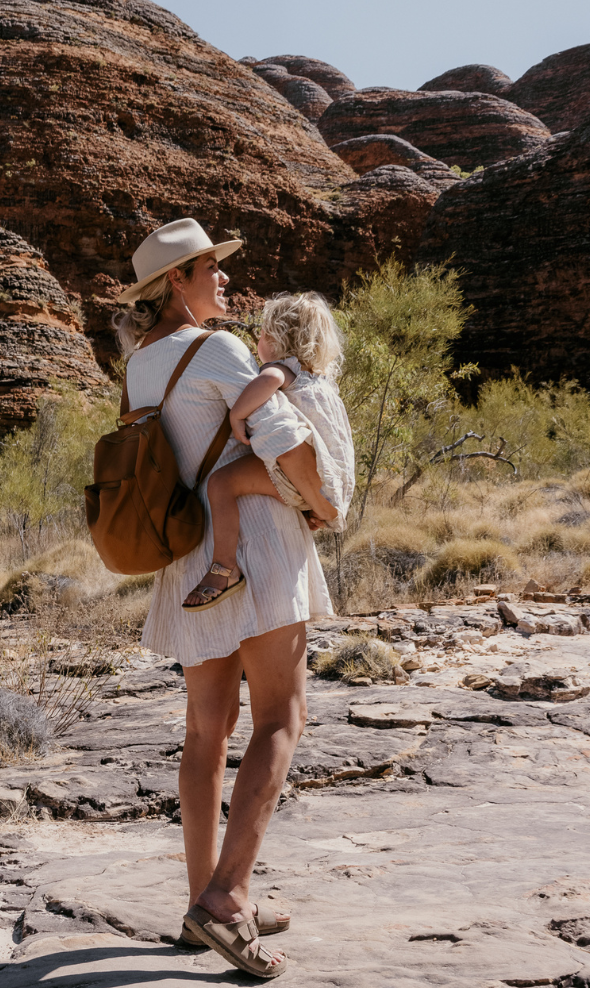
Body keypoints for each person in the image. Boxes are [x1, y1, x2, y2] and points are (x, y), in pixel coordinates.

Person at [114, 218, 333, 978]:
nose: (227, 281)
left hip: (189, 559)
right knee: (281, 717)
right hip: (259, 550)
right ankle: (229, 900)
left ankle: (199, 898)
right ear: (177, 281)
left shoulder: (140, 363)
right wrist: (324, 502)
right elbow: (281, 435)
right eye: (214, 269)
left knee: (206, 733)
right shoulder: (220, 349)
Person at [187, 292, 354, 613]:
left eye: (262, 334)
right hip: (327, 484)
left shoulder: (283, 368)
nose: (258, 342)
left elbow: (267, 381)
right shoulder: (319, 382)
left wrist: (237, 413)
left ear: (278, 340)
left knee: (221, 484)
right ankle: (306, 508)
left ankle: (223, 568)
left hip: (300, 470)